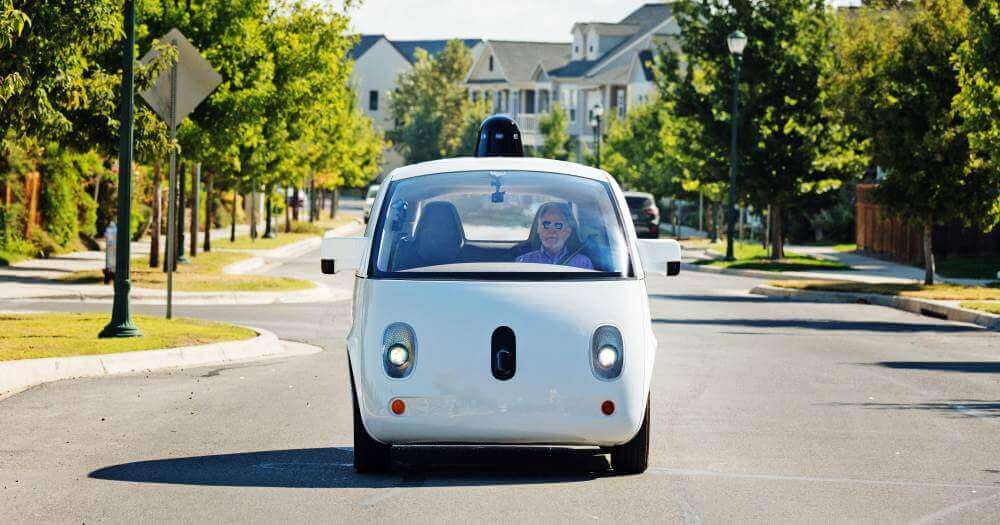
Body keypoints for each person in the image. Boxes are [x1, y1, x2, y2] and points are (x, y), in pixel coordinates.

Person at [516, 202, 594, 269]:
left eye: (558, 225)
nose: (551, 231)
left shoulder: (583, 263)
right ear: (538, 229)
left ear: (568, 231)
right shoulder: (523, 261)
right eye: (546, 224)